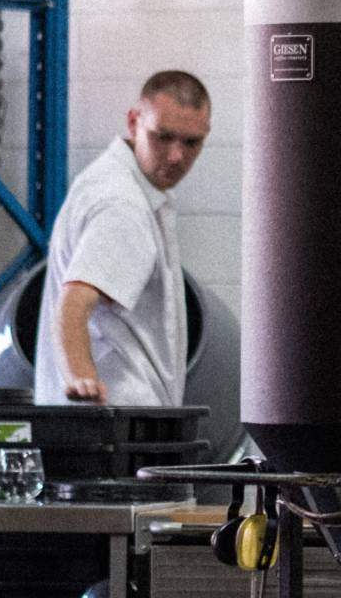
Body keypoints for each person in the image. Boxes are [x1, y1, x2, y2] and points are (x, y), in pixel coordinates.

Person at [34, 71, 211, 407]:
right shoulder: (122, 206)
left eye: (191, 142)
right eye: (163, 136)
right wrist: (81, 382)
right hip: (113, 423)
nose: (176, 156)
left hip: (110, 422)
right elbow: (74, 304)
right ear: (134, 121)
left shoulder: (110, 181)